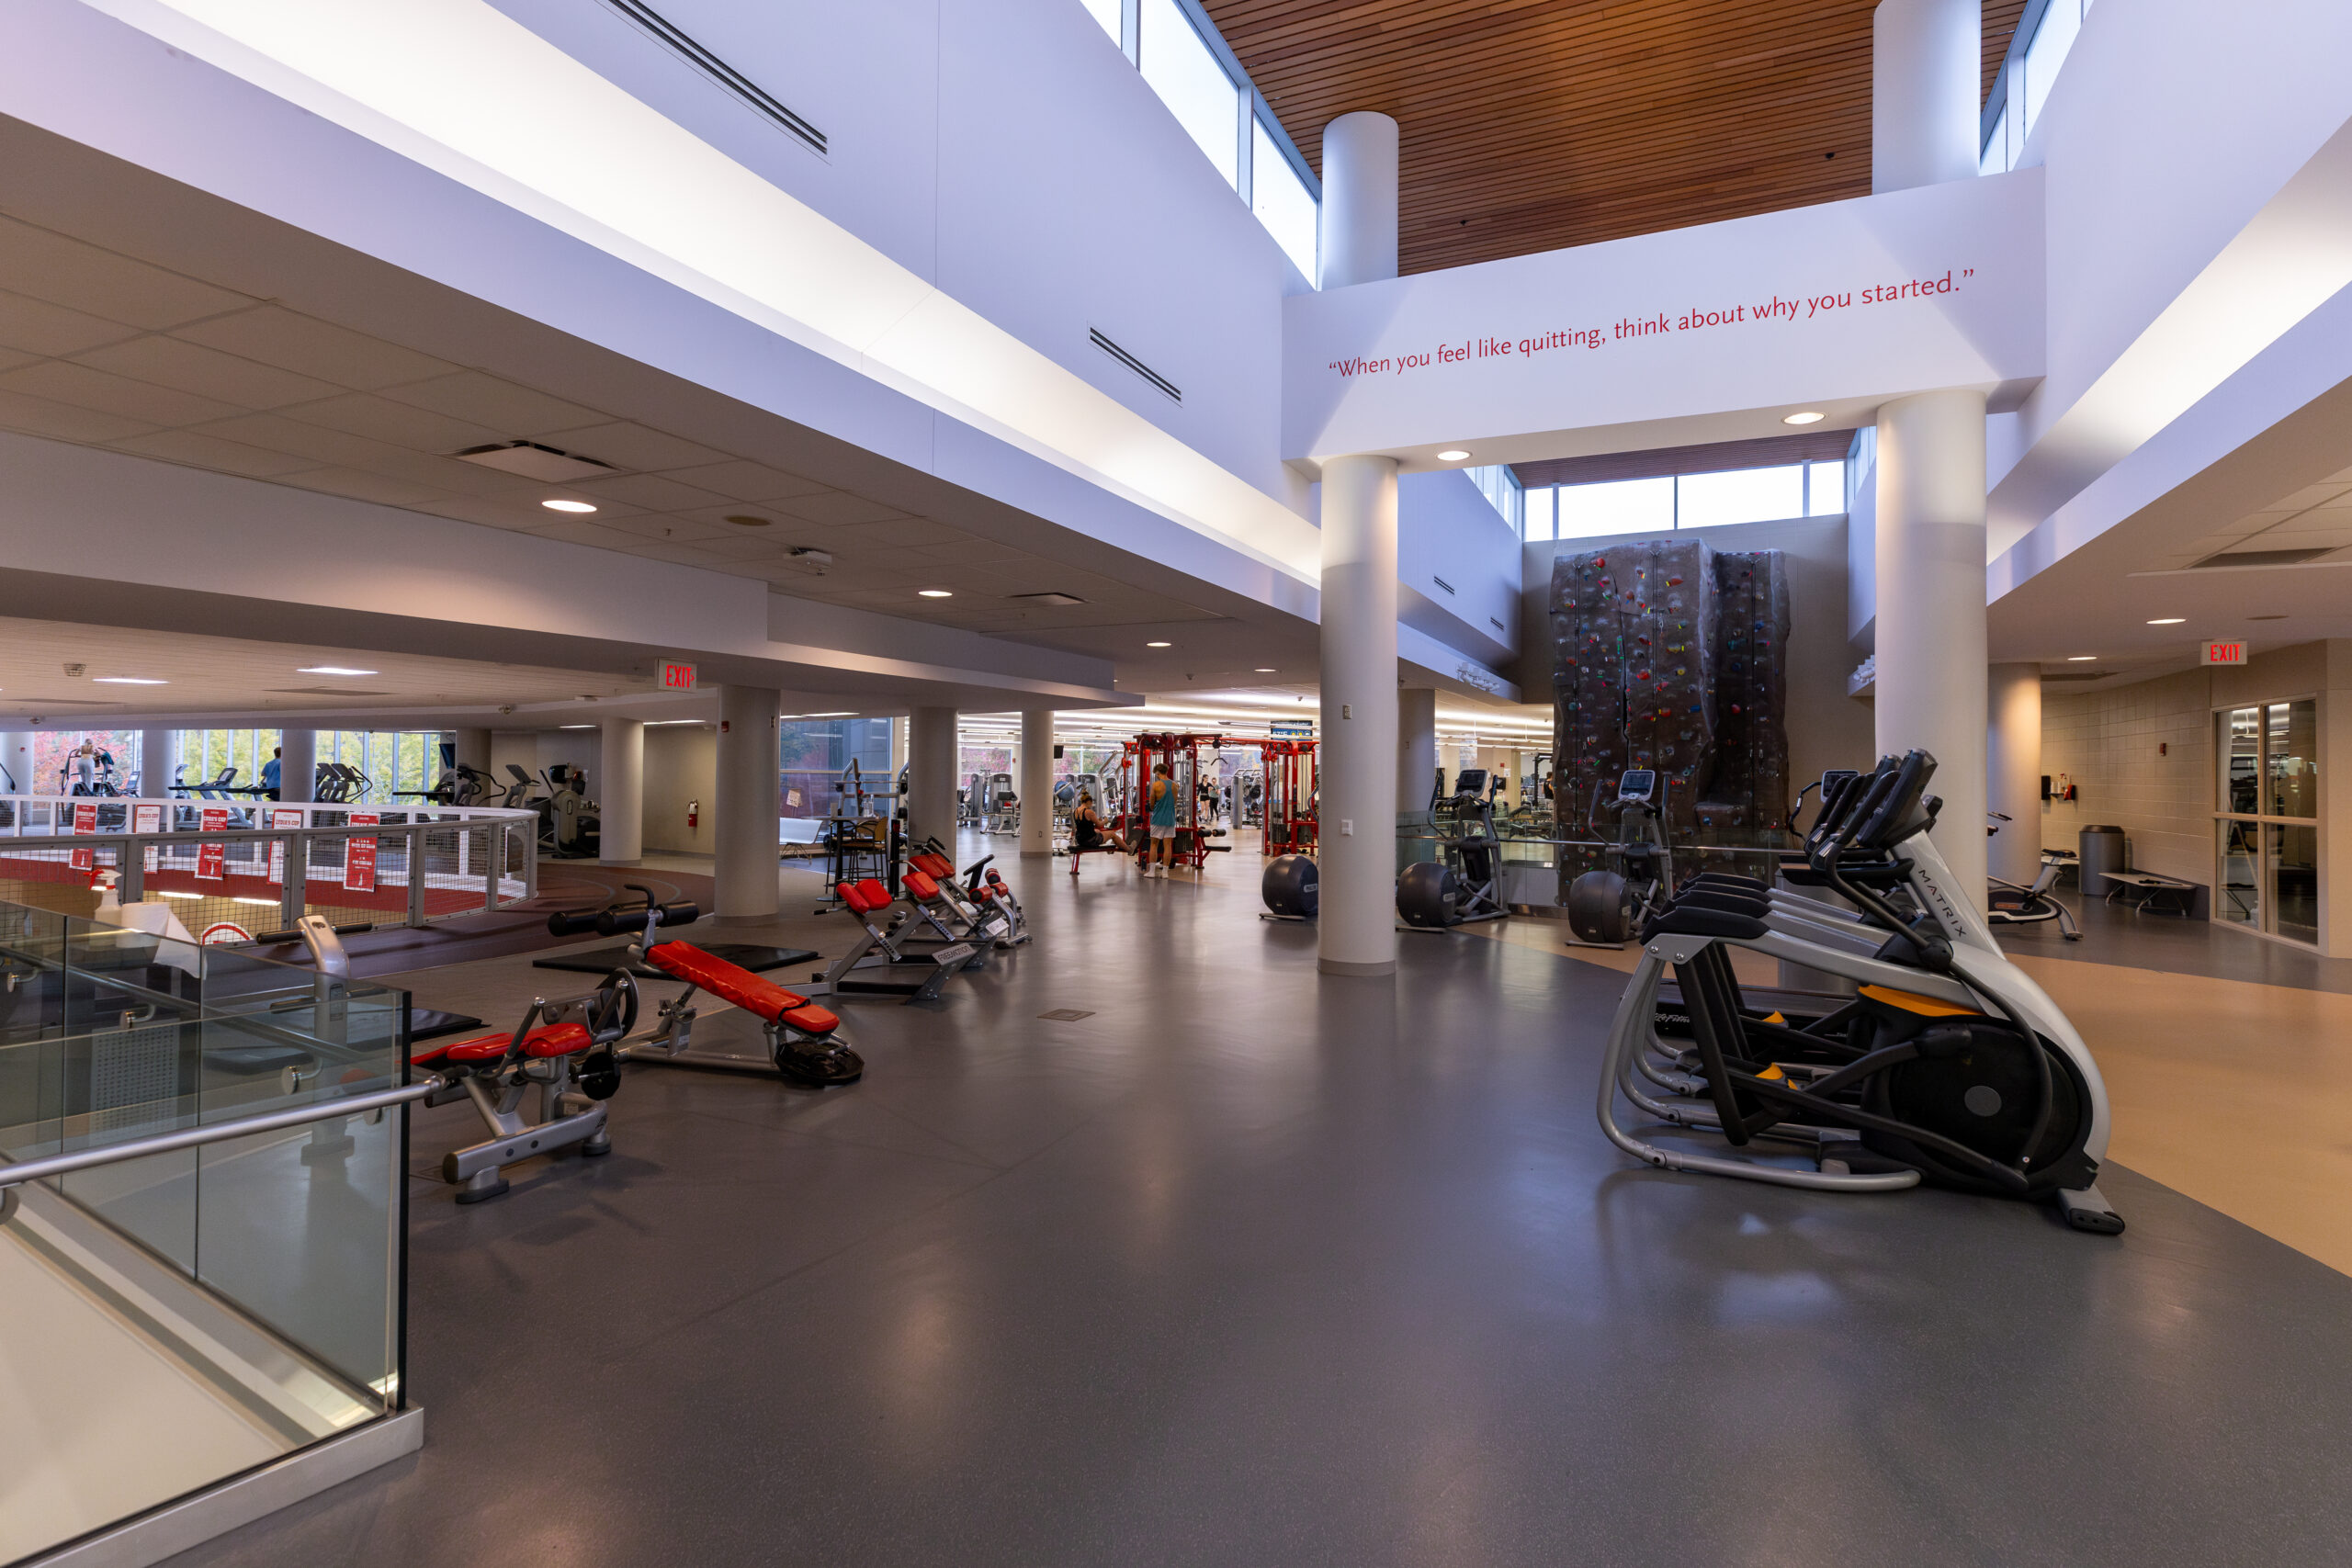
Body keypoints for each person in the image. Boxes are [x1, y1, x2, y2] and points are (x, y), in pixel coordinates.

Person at [1069, 790, 1127, 854]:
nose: (1091, 805)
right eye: (1091, 803)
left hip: (1080, 839)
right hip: (1090, 840)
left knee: (1098, 832)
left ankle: (1110, 849)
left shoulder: (1076, 811)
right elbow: (1099, 825)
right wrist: (1105, 821)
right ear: (1089, 801)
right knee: (1112, 833)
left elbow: (1083, 826)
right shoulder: (1089, 812)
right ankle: (1129, 849)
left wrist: (1094, 829)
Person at [1147, 761, 1178, 878]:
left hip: (1158, 818)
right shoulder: (1174, 785)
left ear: (1158, 773)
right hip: (1170, 818)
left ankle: (1152, 872)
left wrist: (1154, 807)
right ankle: (1165, 873)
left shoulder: (1156, 785)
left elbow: (1151, 802)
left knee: (1154, 844)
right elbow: (1174, 802)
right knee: (1168, 845)